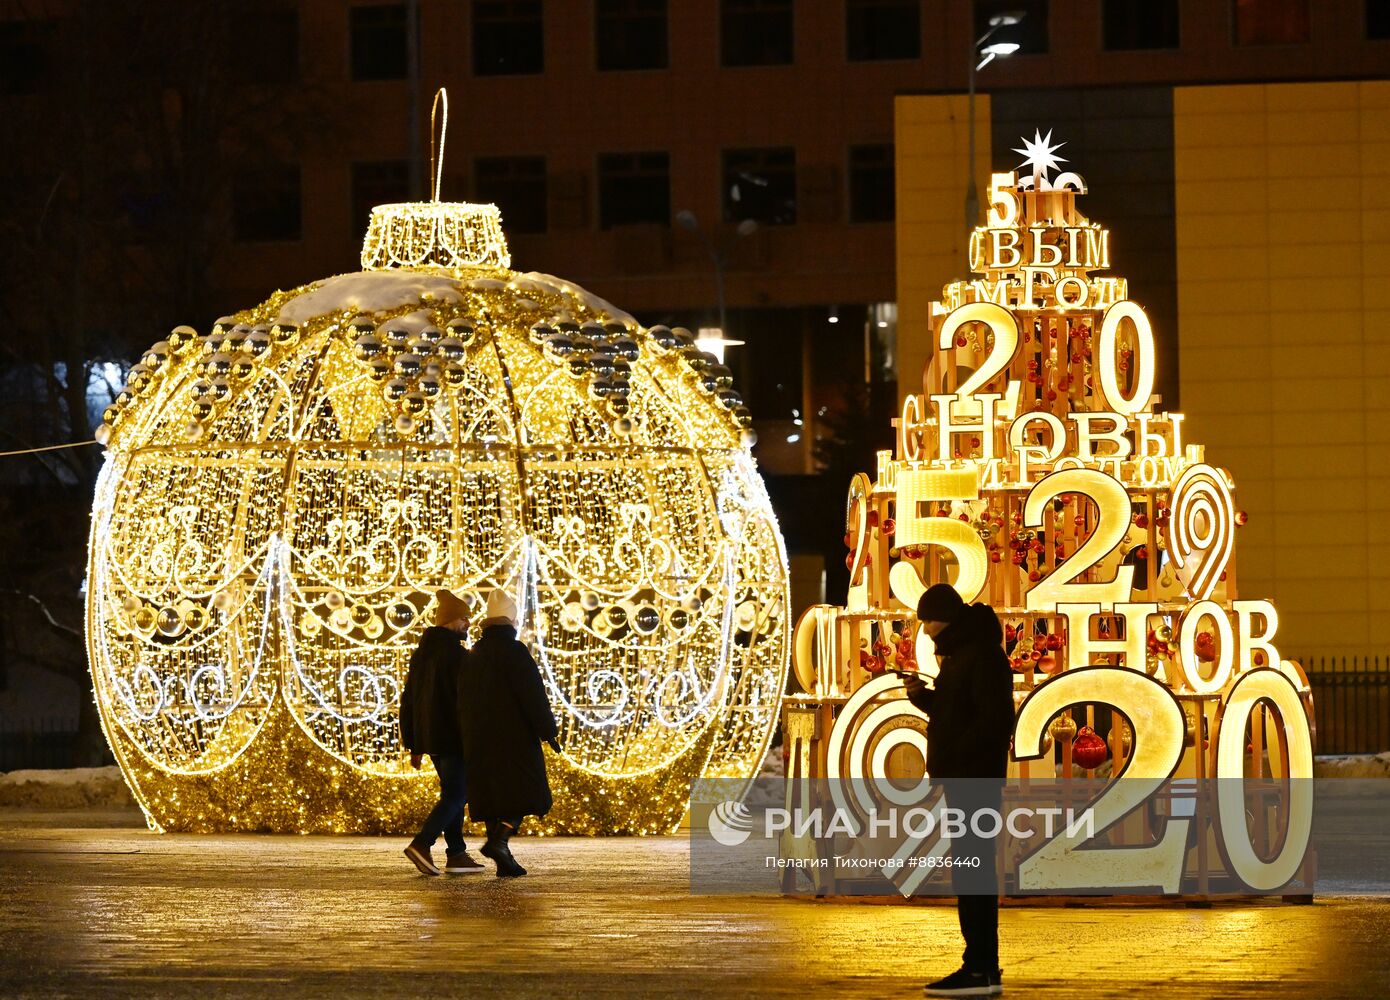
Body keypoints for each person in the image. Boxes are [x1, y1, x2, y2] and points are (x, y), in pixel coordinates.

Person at [902, 583, 1015, 997]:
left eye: (928, 620)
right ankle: (981, 966)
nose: (925, 629)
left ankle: (980, 968)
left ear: (945, 617)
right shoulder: (962, 655)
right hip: (965, 777)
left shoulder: (981, 656)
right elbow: (957, 713)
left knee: (974, 873)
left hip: (974, 780)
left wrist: (958, 754)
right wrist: (924, 698)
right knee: (971, 872)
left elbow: (995, 720)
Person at [457, 588, 561, 877]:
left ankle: (503, 857)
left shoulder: (473, 654)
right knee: (524, 791)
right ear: (512, 623)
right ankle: (500, 839)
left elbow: (461, 698)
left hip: (478, 738)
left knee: (492, 795)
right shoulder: (515, 652)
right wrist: (548, 731)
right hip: (514, 739)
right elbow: (533, 695)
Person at [399, 589, 485, 876]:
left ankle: (457, 853)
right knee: (457, 794)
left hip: (431, 737)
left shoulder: (422, 655)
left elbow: (409, 699)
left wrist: (414, 743)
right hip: (453, 737)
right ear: (449, 620)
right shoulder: (457, 656)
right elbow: (466, 702)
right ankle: (422, 844)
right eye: (464, 618)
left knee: (453, 793)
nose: (468, 624)